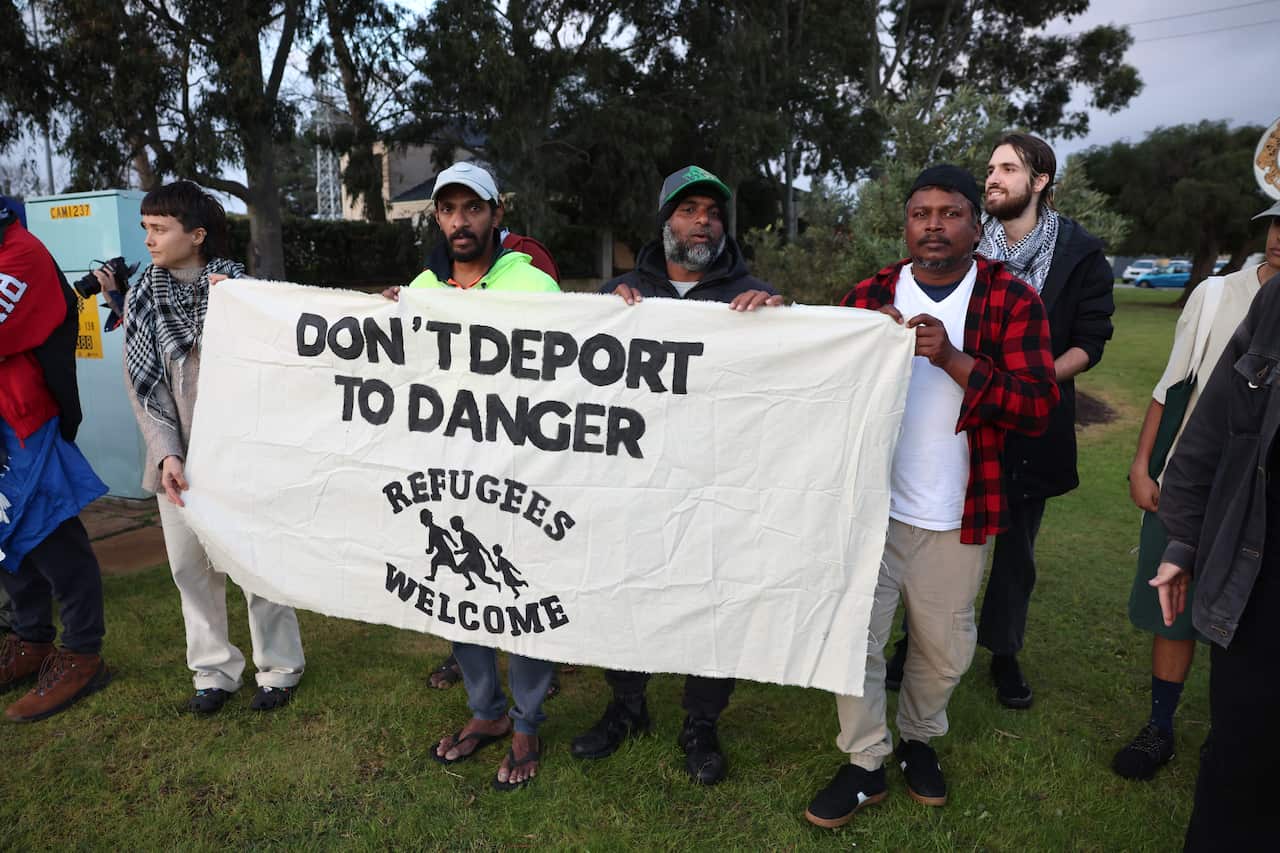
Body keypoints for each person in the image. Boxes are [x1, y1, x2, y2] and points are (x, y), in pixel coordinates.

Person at [804, 165, 1058, 828]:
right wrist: (858, 349)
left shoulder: (1010, 299)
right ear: (906, 223)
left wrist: (951, 357)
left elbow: (1036, 405)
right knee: (852, 639)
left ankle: (918, 739)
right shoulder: (868, 296)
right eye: (922, 213)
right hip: (869, 511)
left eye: (951, 213)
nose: (935, 225)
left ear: (978, 225)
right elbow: (818, 397)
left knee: (943, 648)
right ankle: (864, 761)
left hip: (956, 512)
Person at [885, 134, 1115, 709]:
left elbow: (1091, 339)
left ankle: (1004, 653)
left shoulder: (1077, 253)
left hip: (1028, 419)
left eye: (1008, 169)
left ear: (1039, 181)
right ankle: (913, 642)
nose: (993, 178)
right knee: (934, 526)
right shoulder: (962, 247)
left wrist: (1029, 377)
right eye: (990, 168)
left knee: (1014, 550)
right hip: (959, 415)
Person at [569, 165, 782, 786]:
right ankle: (627, 704)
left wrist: (783, 320)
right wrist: (594, 319)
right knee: (624, 589)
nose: (702, 223)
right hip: (633, 484)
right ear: (665, 221)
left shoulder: (754, 299)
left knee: (714, 597)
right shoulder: (619, 296)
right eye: (689, 210)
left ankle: (702, 721)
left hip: (718, 485)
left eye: (713, 213)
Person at [384, 161, 559, 791]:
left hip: (521, 470)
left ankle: (527, 720)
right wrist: (386, 319)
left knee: (524, 594)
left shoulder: (534, 285)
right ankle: (484, 711)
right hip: (450, 473)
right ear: (437, 217)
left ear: (496, 214)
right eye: (449, 210)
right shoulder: (421, 288)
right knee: (462, 589)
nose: (461, 221)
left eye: (473, 208)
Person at [105, 180, 306, 715]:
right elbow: (142, 384)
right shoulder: (144, 297)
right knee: (189, 569)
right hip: (177, 463)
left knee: (255, 565)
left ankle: (280, 668)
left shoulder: (241, 292)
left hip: (242, 458)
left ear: (196, 236)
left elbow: (277, 365)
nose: (147, 239)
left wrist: (234, 313)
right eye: (145, 227)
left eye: (159, 228)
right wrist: (168, 452)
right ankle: (213, 673)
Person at [1114, 201, 1280, 780]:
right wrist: (1142, 464)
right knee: (1173, 608)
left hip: (1261, 492)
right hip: (1197, 475)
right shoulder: (1215, 296)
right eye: (1279, 224)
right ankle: (1160, 727)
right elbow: (1172, 385)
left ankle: (1233, 735)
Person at [1148, 258, 1280, 850]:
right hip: (1260, 571)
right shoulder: (1275, 303)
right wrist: (1187, 540)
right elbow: (1213, 427)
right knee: (1241, 752)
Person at [0, 199, 112, 722]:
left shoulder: (21, 254)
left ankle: (82, 653)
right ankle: (31, 641)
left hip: (24, 419)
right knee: (6, 537)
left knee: (49, 533)